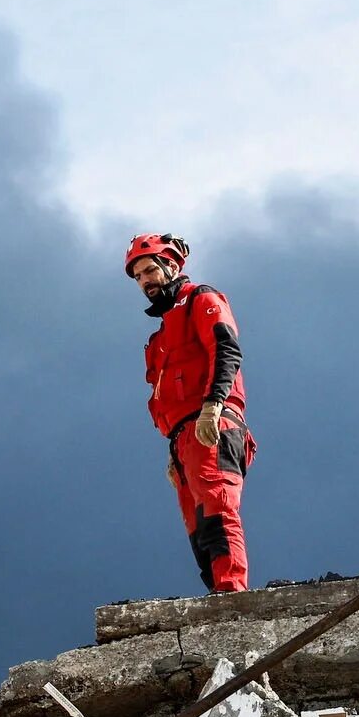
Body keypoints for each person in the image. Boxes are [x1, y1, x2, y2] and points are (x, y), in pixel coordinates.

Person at [126, 232, 255, 593]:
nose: (144, 282)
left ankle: (232, 595)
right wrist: (173, 451)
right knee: (197, 530)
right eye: (138, 277)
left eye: (150, 270)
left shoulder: (200, 298)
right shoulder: (162, 335)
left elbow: (225, 349)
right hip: (184, 438)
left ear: (171, 265)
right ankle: (218, 595)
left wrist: (213, 407)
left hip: (212, 421)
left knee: (217, 509)